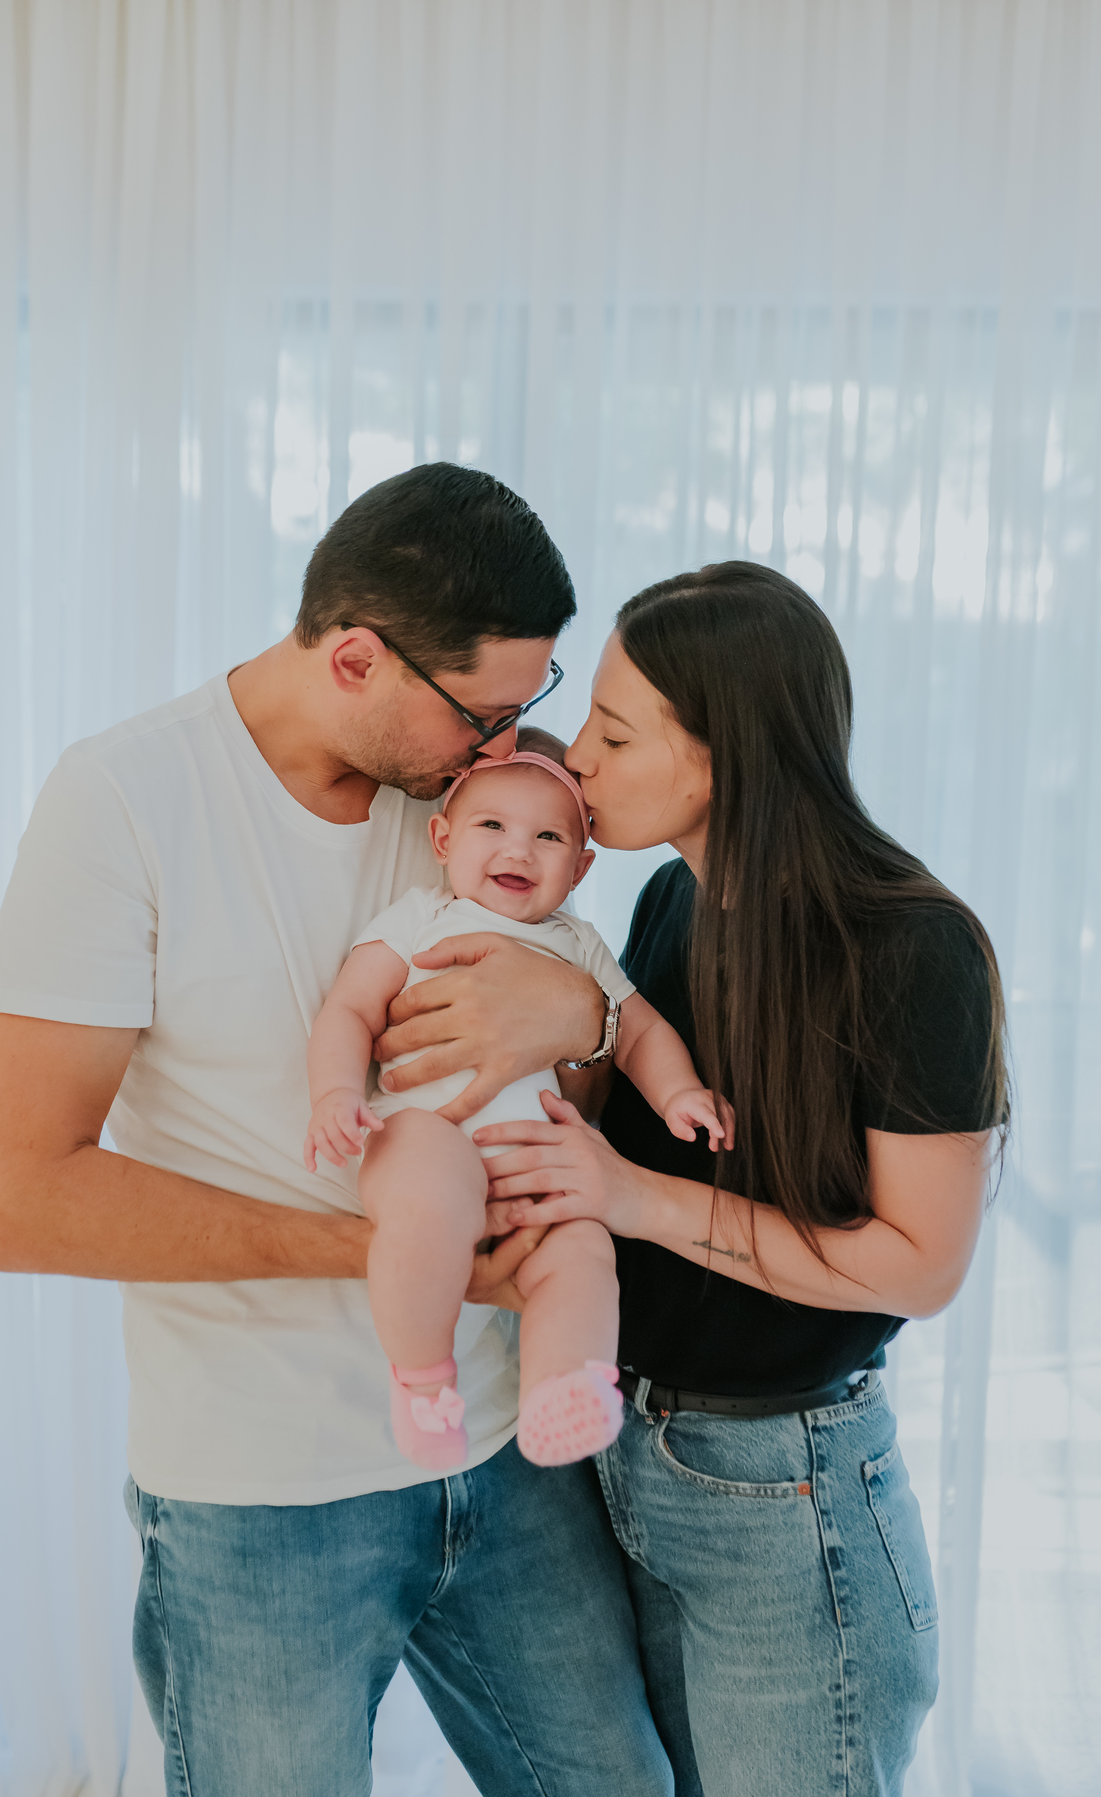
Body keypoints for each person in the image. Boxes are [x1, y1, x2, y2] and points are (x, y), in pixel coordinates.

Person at [0, 465, 674, 1797]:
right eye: (487, 714)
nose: (516, 751)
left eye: (533, 710)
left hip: (514, 1454)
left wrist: (580, 1011)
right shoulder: (124, 801)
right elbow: (15, 1197)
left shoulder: (474, 810)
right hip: (262, 1501)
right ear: (356, 656)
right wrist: (388, 1253)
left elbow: (567, 1084)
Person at [466, 562, 1009, 1797]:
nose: (577, 764)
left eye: (613, 732)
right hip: (634, 1458)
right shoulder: (667, 898)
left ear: (723, 755)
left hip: (787, 1493)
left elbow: (920, 1265)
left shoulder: (914, 948)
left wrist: (636, 1199)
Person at [305, 731, 731, 1472]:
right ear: (442, 837)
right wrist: (336, 1093)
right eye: (492, 826)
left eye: (548, 836)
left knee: (583, 1254)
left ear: (580, 867)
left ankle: (562, 1389)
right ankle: (424, 1380)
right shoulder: (420, 916)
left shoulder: (580, 943)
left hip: (532, 1158)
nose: (519, 850)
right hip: (423, 1135)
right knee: (431, 1201)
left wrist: (679, 1092)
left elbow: (640, 1031)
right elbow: (348, 1010)